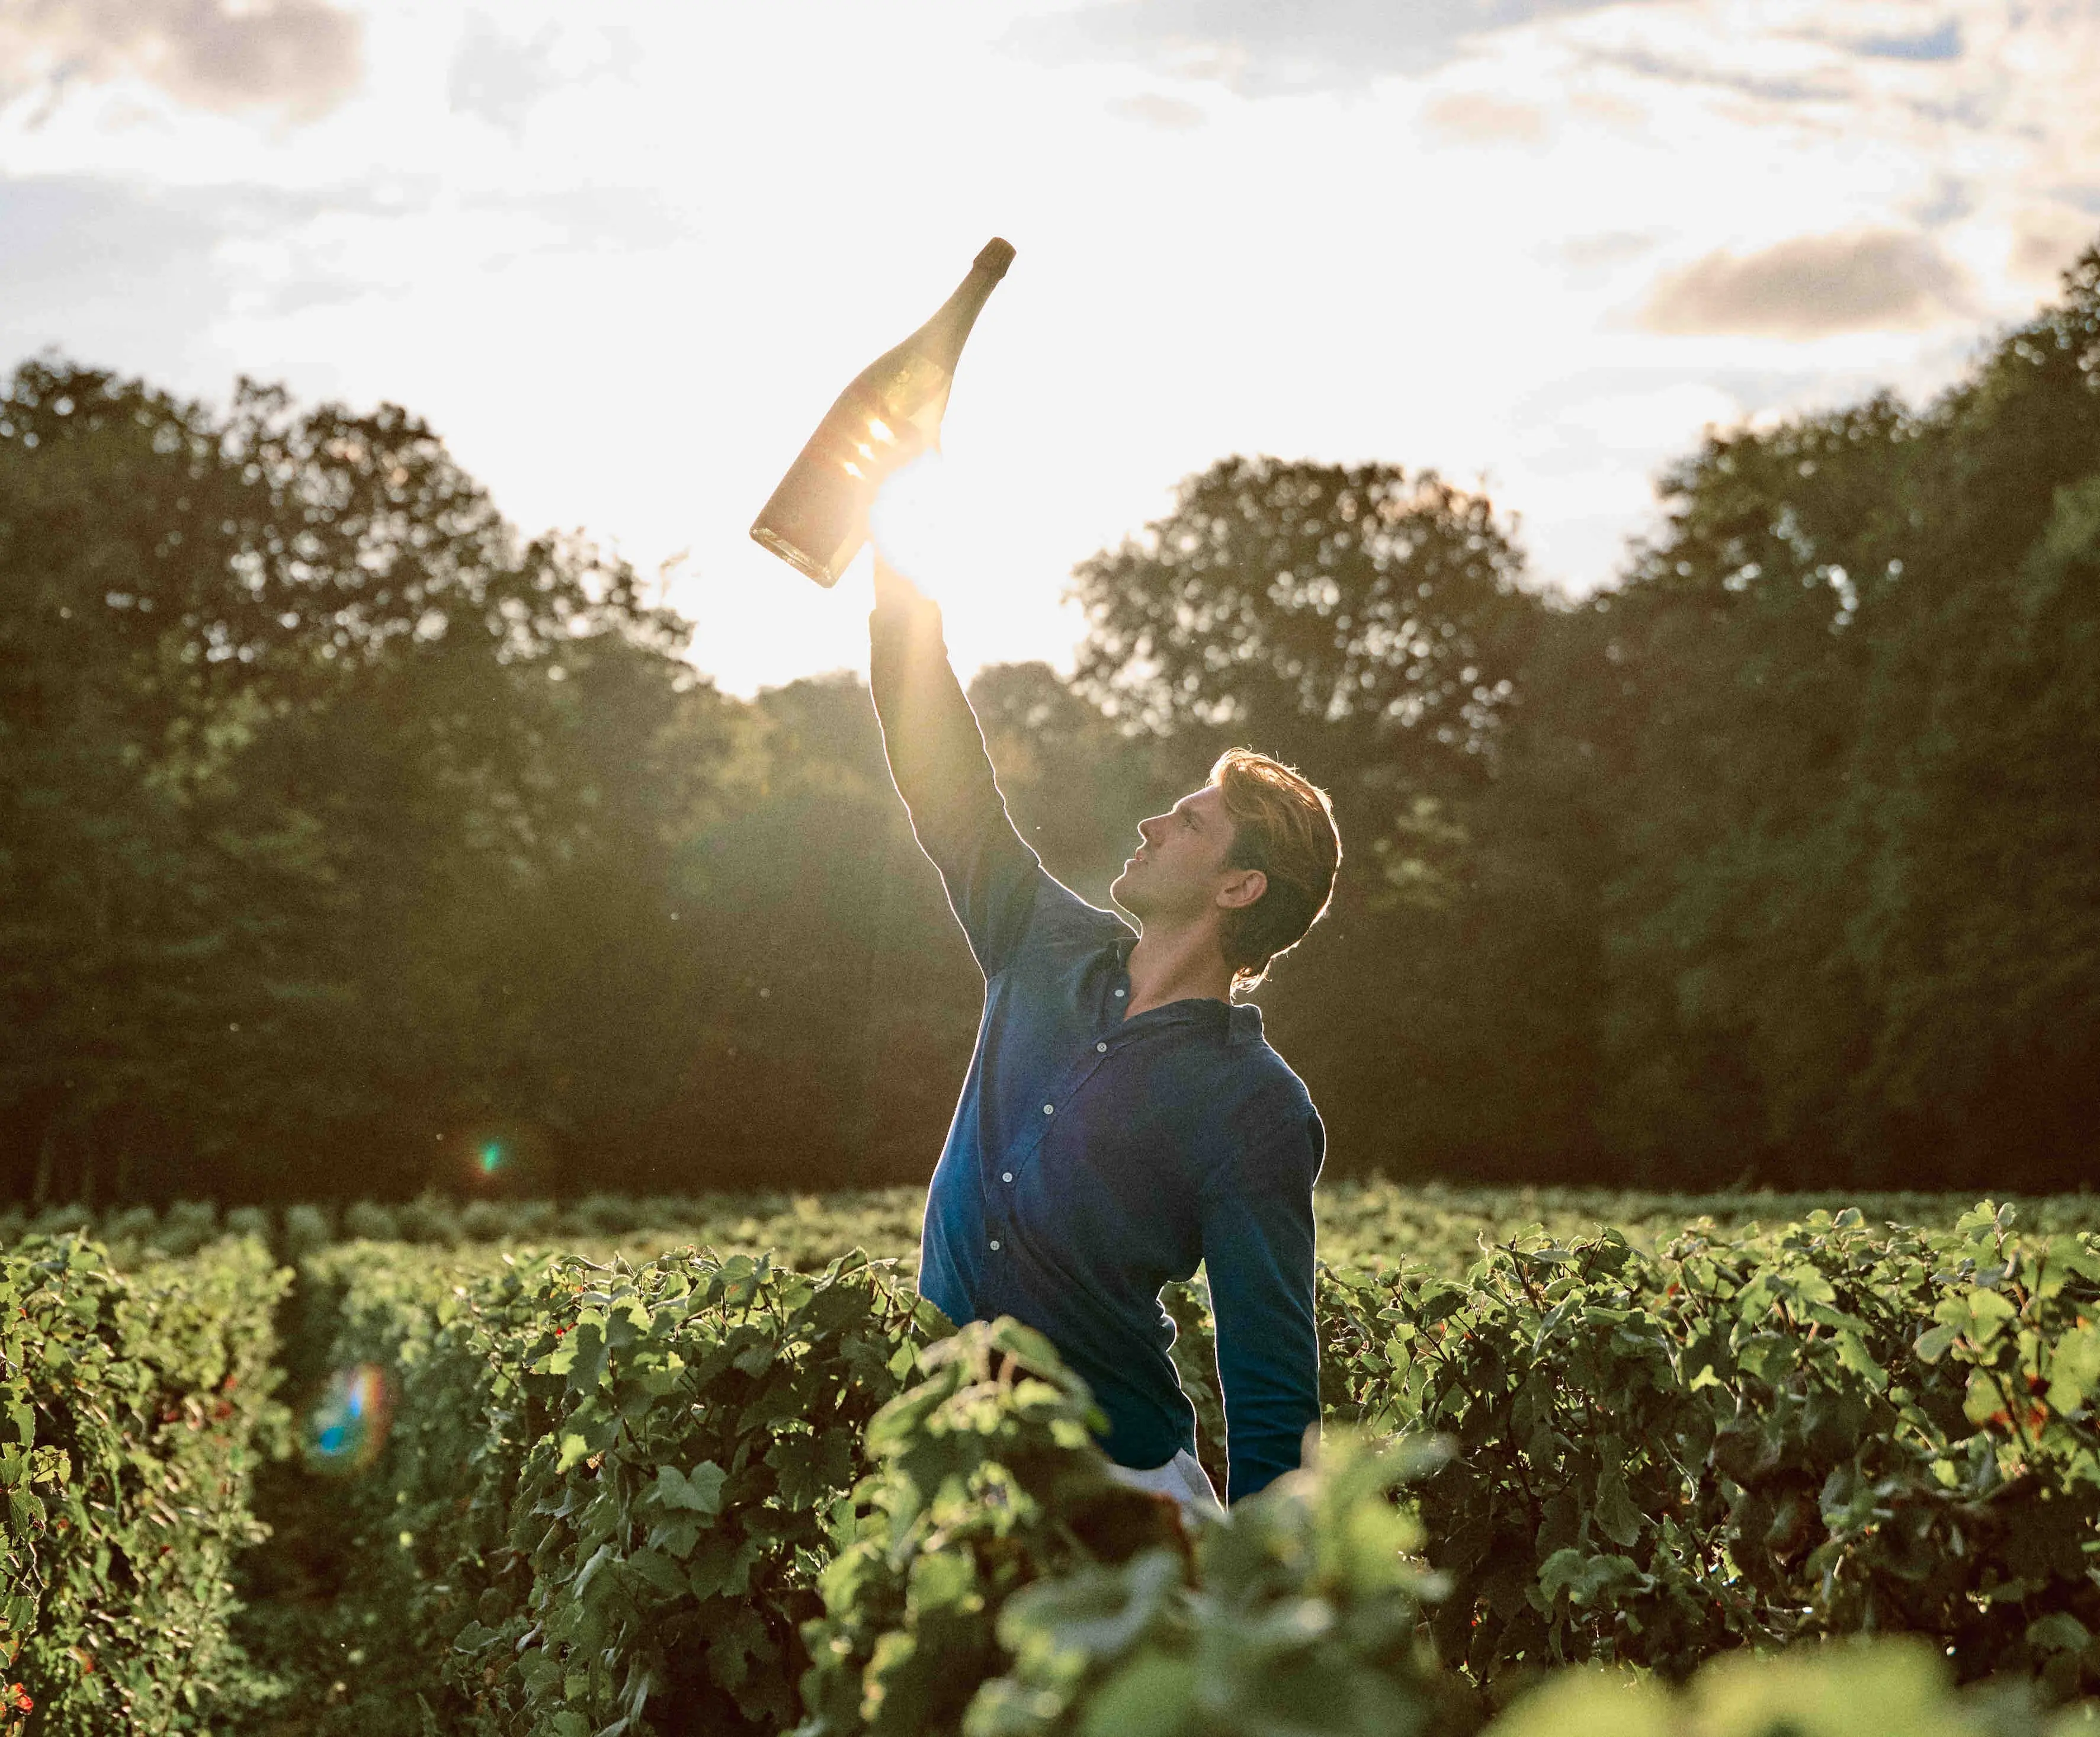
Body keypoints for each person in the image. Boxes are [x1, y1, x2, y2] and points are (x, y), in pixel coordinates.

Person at [867, 553, 1342, 1518]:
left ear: (1238, 888)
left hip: (1118, 1493)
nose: (1152, 822)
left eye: (1191, 824)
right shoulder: (1041, 946)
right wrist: (901, 593)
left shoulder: (1257, 1105)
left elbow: (1271, 1374)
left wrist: (1272, 1596)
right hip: (954, 1457)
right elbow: (949, 789)